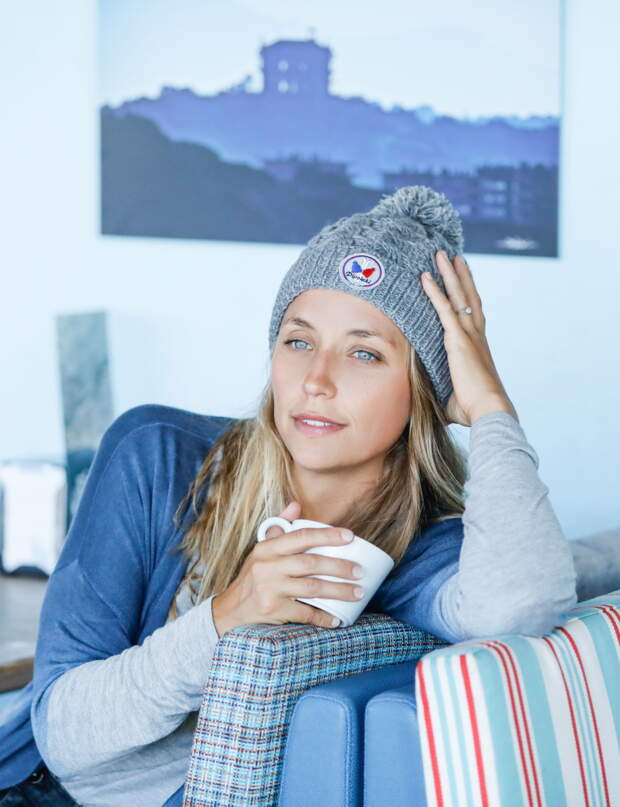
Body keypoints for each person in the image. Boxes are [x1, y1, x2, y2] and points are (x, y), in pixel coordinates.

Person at [1, 185, 613, 806]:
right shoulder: (157, 452)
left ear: (426, 387)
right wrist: (226, 616)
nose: (316, 381)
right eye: (298, 341)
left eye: (365, 353)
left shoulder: (425, 550)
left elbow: (520, 606)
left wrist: (488, 405)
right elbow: (60, 734)